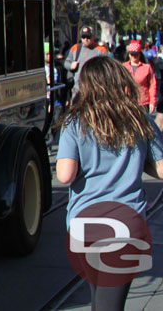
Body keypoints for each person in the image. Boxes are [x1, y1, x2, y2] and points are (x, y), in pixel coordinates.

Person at [56, 56, 163, 310]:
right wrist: (139, 162)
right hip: (126, 227)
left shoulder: (75, 122)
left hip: (85, 227)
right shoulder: (139, 119)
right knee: (108, 304)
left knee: (99, 300)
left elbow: (64, 175)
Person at [64, 26, 109, 96]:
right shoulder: (75, 48)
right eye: (83, 37)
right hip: (78, 88)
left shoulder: (101, 50)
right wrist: (70, 65)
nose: (86, 39)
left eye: (88, 37)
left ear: (93, 37)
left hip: (95, 89)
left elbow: (107, 67)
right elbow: (66, 62)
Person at [124, 41, 157, 113]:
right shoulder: (123, 67)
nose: (134, 56)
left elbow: (152, 85)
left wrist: (152, 102)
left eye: (136, 54)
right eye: (132, 54)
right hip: (127, 102)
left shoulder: (147, 68)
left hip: (142, 103)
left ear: (140, 55)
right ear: (129, 55)